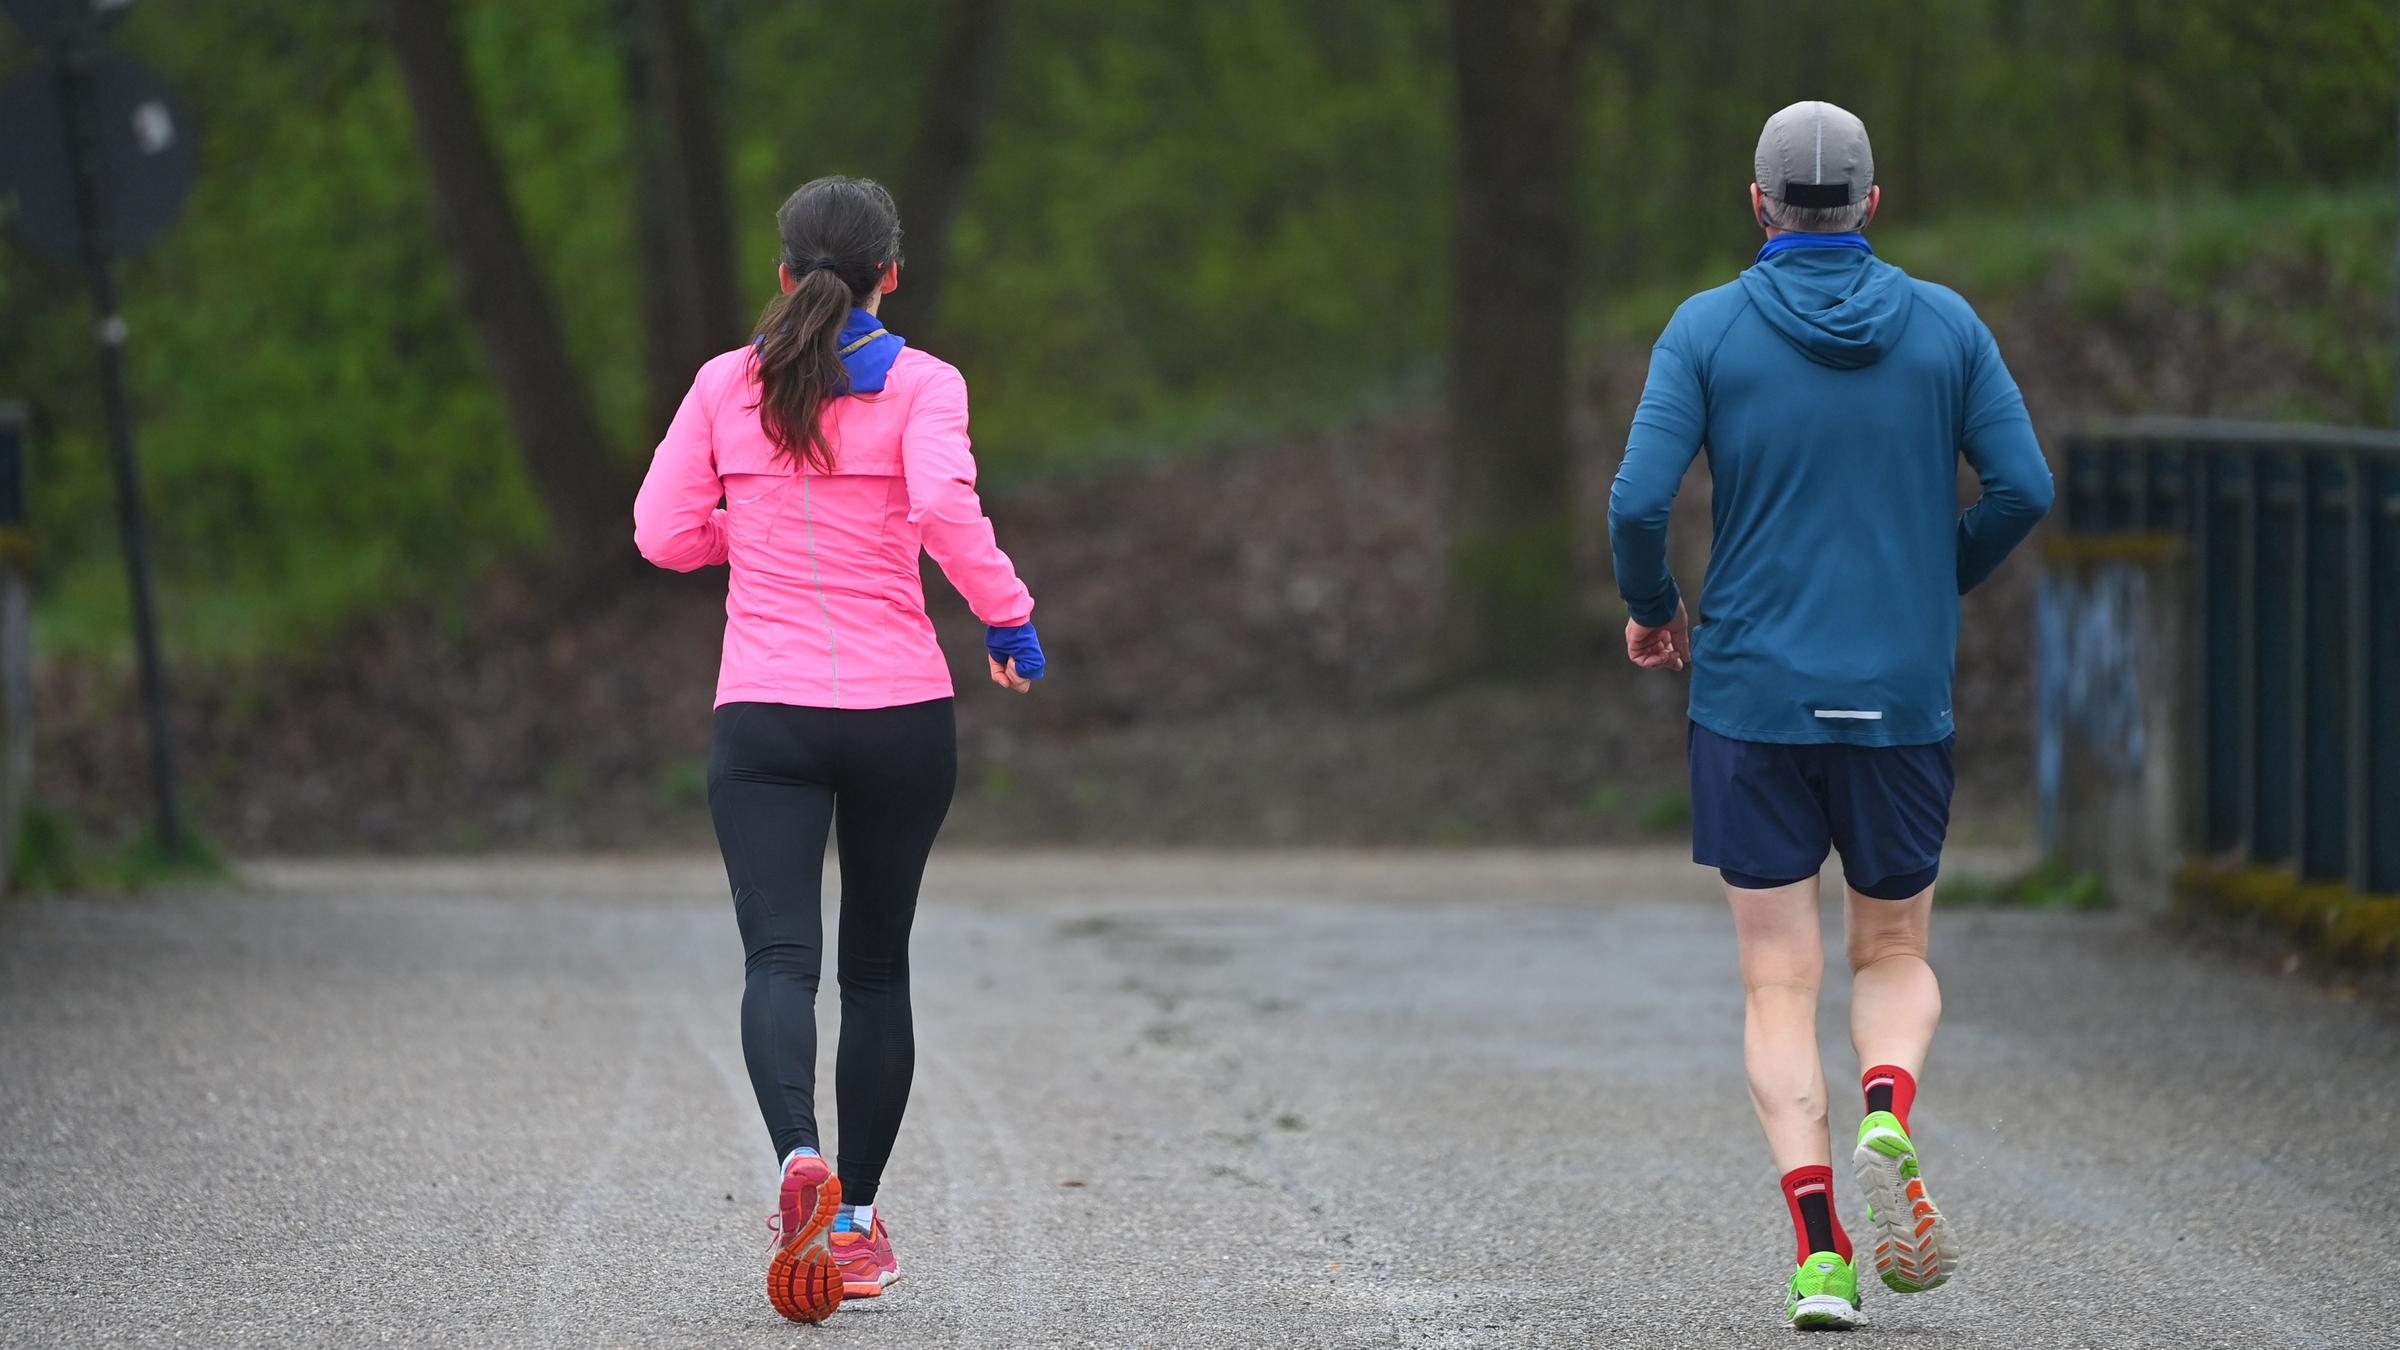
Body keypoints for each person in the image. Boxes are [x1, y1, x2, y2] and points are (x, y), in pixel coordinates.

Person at [1606, 102, 2052, 1330]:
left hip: (1752, 696)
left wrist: (1654, 607)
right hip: (1899, 697)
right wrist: (1933, 579)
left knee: (1775, 981)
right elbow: (2024, 487)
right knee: (1894, 951)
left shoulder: (1707, 328)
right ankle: (1887, 1111)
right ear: (1871, 203)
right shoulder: (1948, 326)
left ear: (1759, 206)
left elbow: (1638, 502)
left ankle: (1819, 1257)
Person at [633, 176, 1045, 1324]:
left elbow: (660, 532)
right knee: (876, 970)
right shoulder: (925, 384)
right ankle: (854, 1223)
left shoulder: (726, 383)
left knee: (779, 960)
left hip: (764, 716)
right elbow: (947, 513)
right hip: (898, 714)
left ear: (783, 275)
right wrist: (1008, 620)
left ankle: (797, 1159)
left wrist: (749, 531)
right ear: (889, 275)